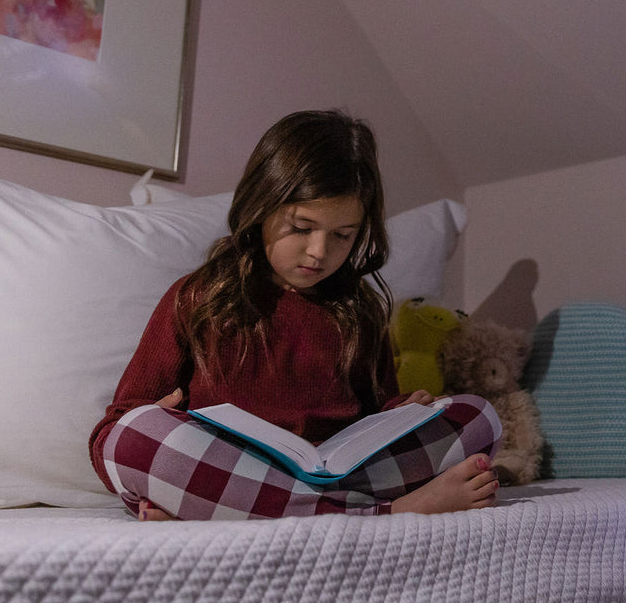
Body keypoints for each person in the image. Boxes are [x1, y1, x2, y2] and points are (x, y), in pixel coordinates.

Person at [90, 109, 501, 520]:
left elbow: (378, 415)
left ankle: (225, 512)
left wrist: (404, 412)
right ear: (261, 206)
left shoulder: (362, 312)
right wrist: (159, 417)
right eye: (302, 227)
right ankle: (380, 514)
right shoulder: (199, 297)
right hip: (232, 468)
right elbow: (118, 424)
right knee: (132, 437)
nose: (319, 252)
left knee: (478, 416)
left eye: (343, 235)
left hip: (337, 475)